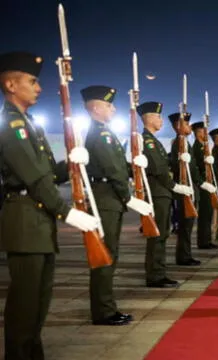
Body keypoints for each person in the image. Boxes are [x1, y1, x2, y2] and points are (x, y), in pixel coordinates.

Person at [0, 51, 100, 360]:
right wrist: (66, 211)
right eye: (32, 81)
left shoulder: (29, 123)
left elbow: (45, 174)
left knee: (39, 303)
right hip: (24, 221)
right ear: (10, 84)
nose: (38, 88)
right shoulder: (12, 123)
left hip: (38, 221)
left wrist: (68, 163)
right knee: (24, 305)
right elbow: (32, 176)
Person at [81, 85, 154, 326]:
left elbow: (117, 166)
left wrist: (132, 166)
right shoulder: (100, 135)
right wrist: (128, 196)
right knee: (105, 255)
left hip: (110, 198)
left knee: (110, 254)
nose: (113, 108)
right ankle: (103, 311)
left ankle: (106, 306)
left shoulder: (105, 133)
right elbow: (112, 169)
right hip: (106, 199)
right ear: (94, 107)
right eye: (108, 104)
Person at [138, 101, 193, 288]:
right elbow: (159, 169)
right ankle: (155, 275)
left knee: (162, 234)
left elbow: (165, 164)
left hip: (162, 193)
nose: (161, 120)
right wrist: (174, 186)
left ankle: (158, 272)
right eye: (158, 116)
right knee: (157, 235)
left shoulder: (154, 141)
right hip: (158, 193)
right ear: (149, 118)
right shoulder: (147, 141)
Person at [168, 112, 203, 266]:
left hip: (189, 187)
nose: (189, 127)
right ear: (178, 126)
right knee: (184, 225)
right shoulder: (178, 143)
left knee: (188, 225)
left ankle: (186, 254)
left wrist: (200, 183)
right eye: (186, 124)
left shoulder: (185, 142)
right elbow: (176, 166)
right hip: (183, 189)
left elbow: (193, 167)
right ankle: (183, 256)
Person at [191, 121, 218, 250]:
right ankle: (203, 241)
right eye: (203, 131)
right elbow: (197, 166)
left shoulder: (204, 146)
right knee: (204, 214)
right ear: (198, 132)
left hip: (209, 183)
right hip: (203, 185)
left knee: (208, 213)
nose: (206, 133)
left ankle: (207, 239)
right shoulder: (197, 147)